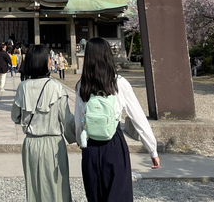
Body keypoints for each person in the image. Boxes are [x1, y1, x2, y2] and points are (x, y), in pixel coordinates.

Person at [74, 37, 160, 202]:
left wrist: (80, 140)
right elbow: (138, 118)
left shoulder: (81, 85)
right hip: (114, 143)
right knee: (118, 194)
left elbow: (79, 120)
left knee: (95, 195)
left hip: (90, 145)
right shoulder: (119, 83)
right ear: (108, 56)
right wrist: (152, 149)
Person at [11, 44, 76, 202]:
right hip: (54, 143)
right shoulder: (57, 88)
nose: (50, 61)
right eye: (49, 58)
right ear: (44, 62)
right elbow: (66, 120)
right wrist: (77, 137)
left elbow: (15, 116)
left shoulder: (22, 87)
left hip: (31, 143)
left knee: (34, 187)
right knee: (57, 186)